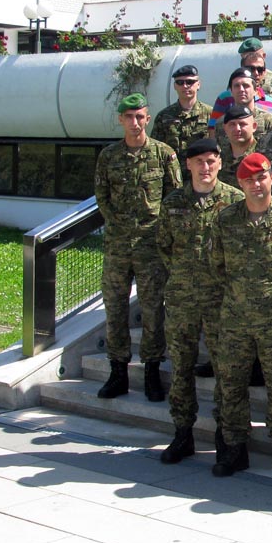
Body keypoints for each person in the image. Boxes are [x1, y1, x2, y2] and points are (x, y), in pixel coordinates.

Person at [209, 152, 272, 479]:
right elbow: (216, 266)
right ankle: (234, 449)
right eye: (249, 180)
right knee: (231, 384)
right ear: (240, 184)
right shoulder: (225, 220)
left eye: (261, 177)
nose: (256, 184)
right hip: (235, 320)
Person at [154, 138, 243, 464]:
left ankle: (226, 437)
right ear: (188, 165)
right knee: (181, 368)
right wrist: (184, 276)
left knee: (226, 370)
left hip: (222, 300)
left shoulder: (235, 201)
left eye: (211, 161)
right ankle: (182, 433)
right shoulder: (173, 203)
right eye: (199, 162)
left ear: (220, 163)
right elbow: (164, 246)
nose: (205, 167)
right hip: (183, 298)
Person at [94, 93, 182, 401]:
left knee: (153, 311)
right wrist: (118, 224)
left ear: (147, 118)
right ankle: (118, 371)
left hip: (151, 246)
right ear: (121, 119)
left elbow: (174, 197)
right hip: (118, 245)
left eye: (140, 116)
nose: (135, 122)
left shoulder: (164, 154)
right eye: (129, 117)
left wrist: (160, 233)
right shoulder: (109, 156)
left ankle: (151, 372)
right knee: (115, 309)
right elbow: (102, 196)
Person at [151, 65, 212, 180]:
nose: (185, 86)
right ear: (175, 86)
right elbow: (156, 151)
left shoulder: (210, 114)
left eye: (190, 82)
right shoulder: (163, 116)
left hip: (202, 176)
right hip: (172, 178)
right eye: (180, 82)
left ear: (198, 84)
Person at [212, 68, 272, 151]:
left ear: (255, 91)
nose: (241, 89)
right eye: (237, 86)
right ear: (231, 91)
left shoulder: (269, 121)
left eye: (246, 86)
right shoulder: (222, 123)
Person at [217, 104, 260, 184]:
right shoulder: (218, 158)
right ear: (225, 128)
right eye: (232, 124)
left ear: (254, 126)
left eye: (242, 124)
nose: (237, 129)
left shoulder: (264, 154)